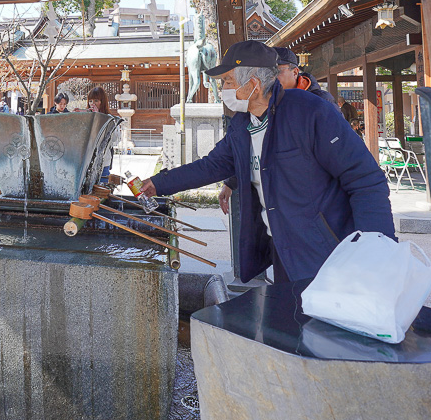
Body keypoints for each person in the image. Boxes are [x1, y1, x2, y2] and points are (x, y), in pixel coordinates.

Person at [141, 40, 394, 283]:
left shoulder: (311, 112)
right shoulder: (243, 124)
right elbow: (211, 165)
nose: (222, 89)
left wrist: (375, 249)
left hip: (326, 251)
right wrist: (158, 183)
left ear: (253, 84)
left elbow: (365, 180)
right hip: (282, 249)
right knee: (291, 321)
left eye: (228, 81)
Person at [86, 87, 115, 182]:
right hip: (86, 163)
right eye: (90, 101)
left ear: (103, 102)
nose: (92, 104)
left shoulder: (110, 118)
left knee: (102, 192)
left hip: (103, 163)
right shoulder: (86, 117)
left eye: (96, 100)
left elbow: (114, 138)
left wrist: (99, 117)